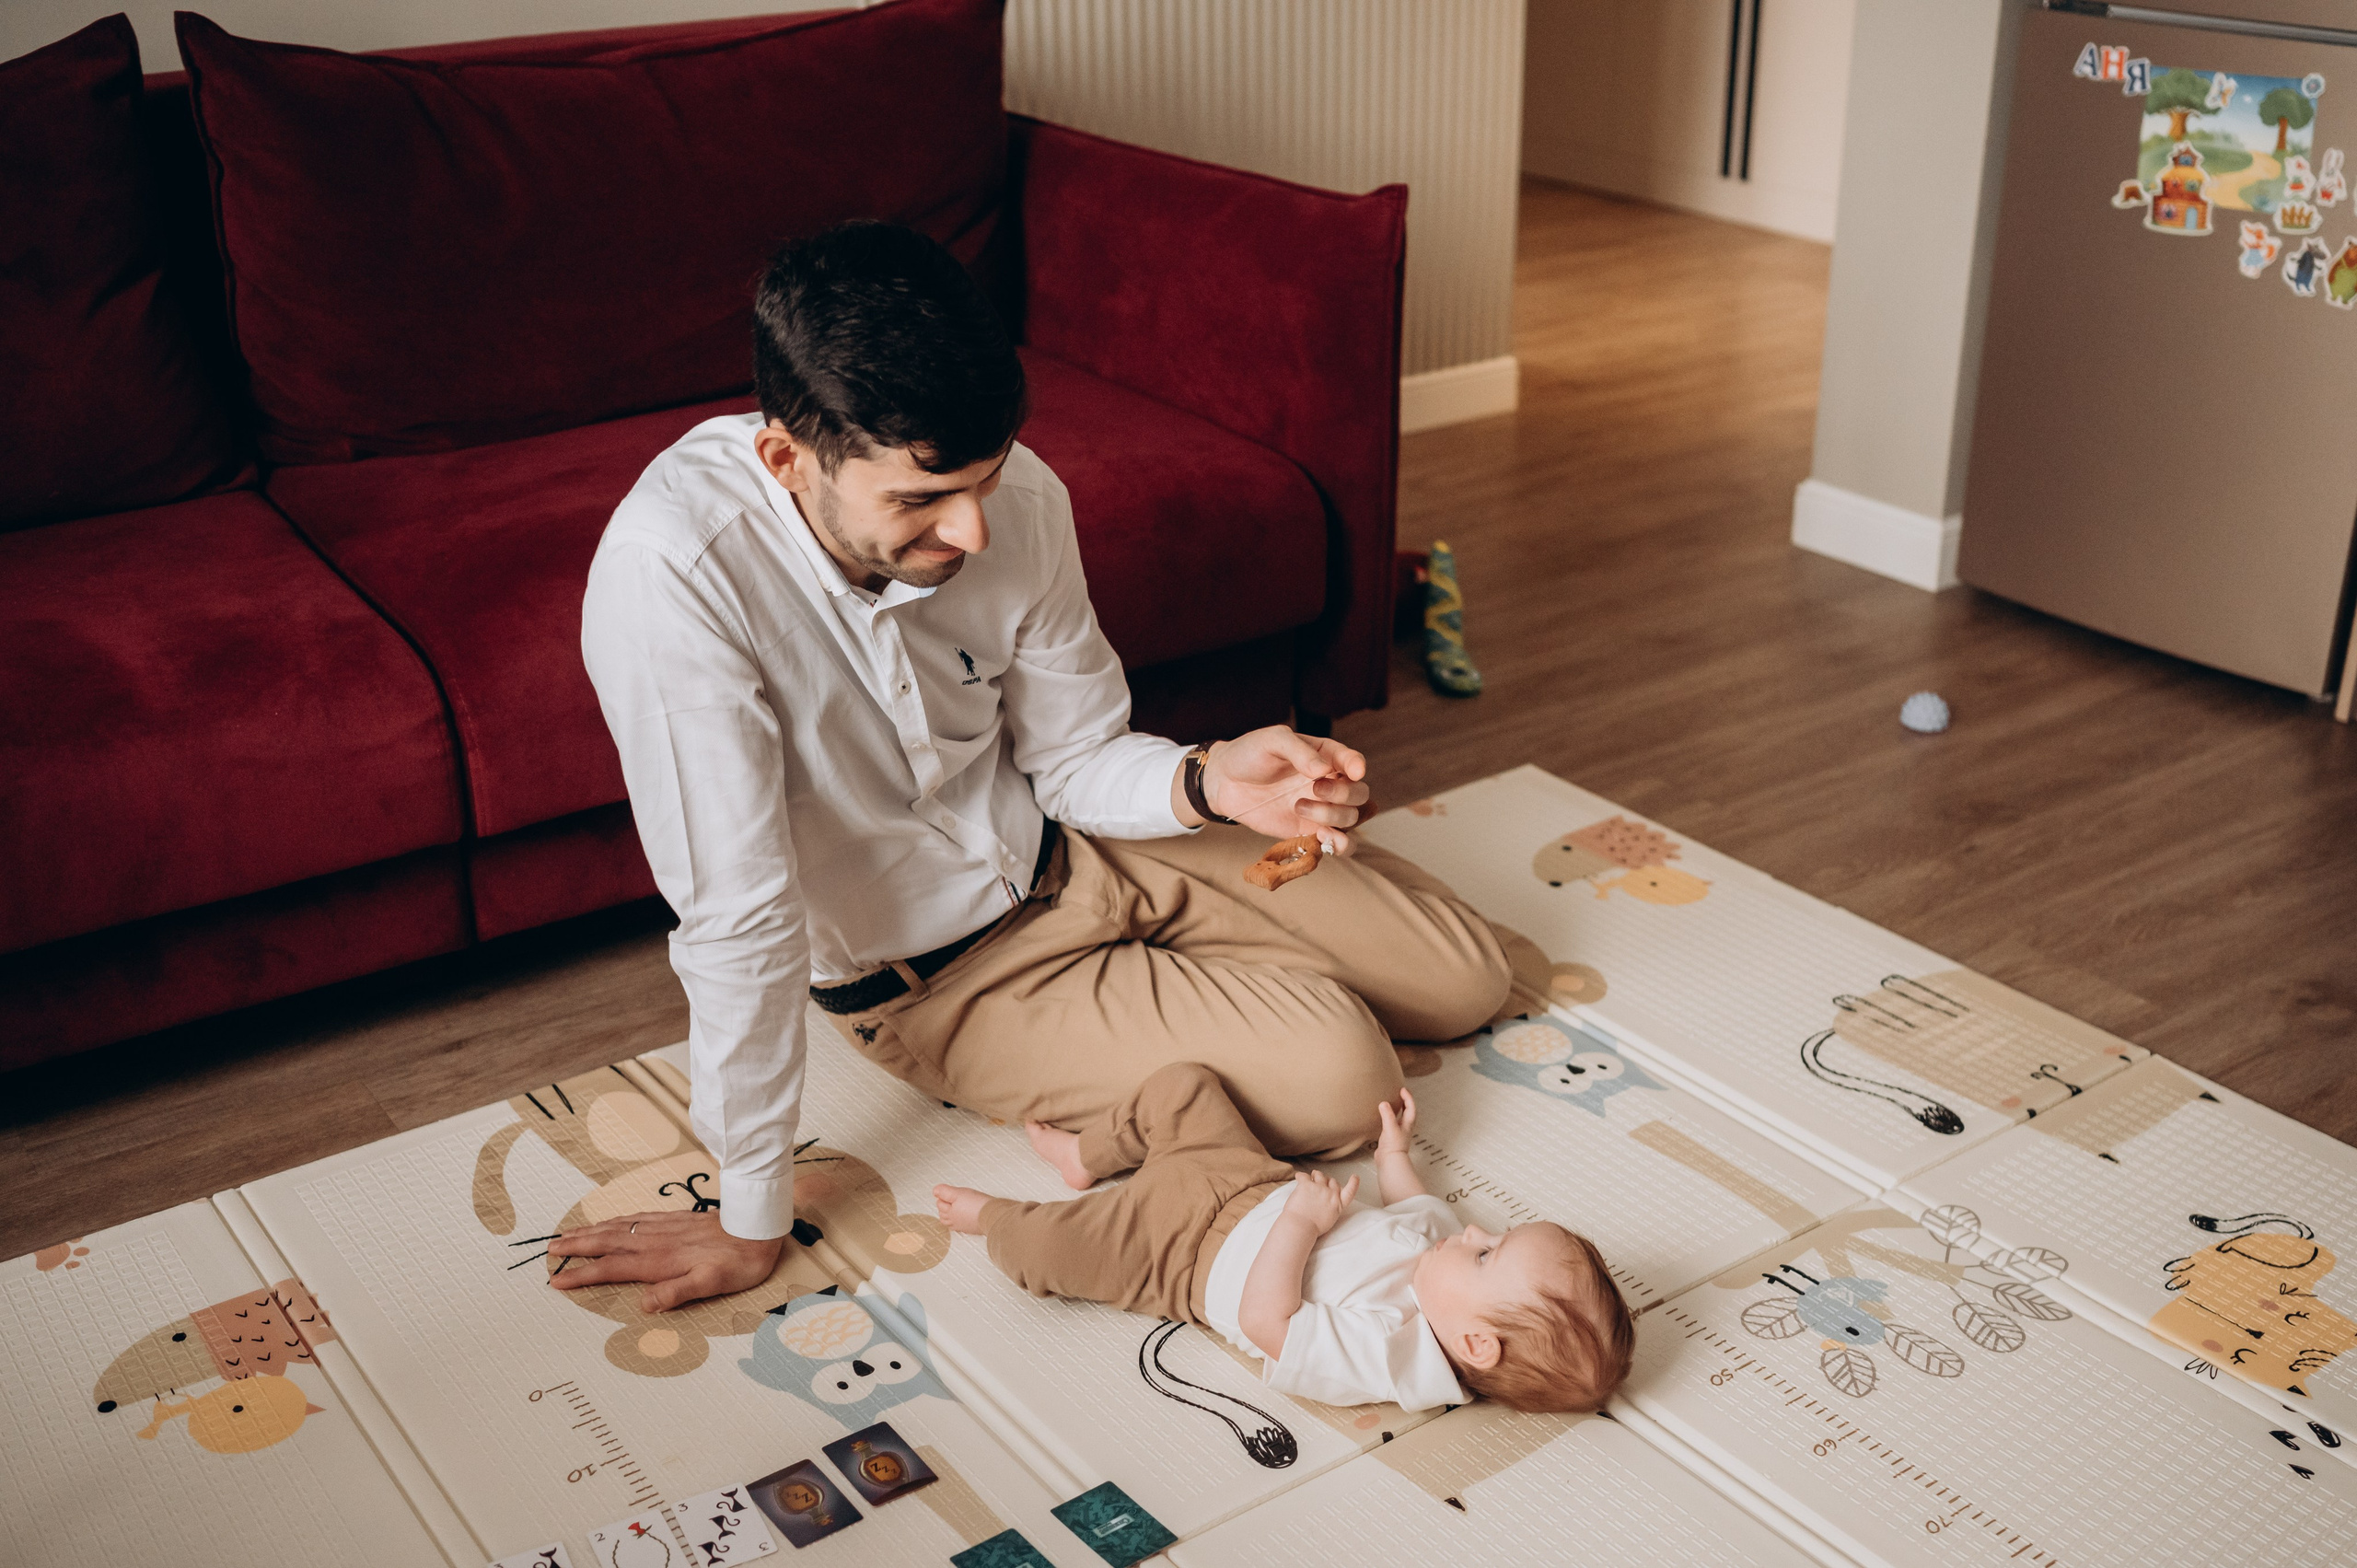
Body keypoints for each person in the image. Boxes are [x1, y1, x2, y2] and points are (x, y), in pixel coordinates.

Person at [553, 221, 1517, 1313]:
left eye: (987, 479)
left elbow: (1074, 754)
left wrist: (1212, 781)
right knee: (1349, 1078)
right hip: (947, 978)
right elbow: (740, 917)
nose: (971, 529)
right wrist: (748, 1211)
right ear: (787, 459)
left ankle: (1230, 987)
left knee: (1467, 978)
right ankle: (1195, 1036)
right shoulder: (673, 577)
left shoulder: (1015, 500)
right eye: (919, 499)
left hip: (1079, 847)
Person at [934, 1064, 1632, 1412]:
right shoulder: (1442, 1263)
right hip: (1247, 1178)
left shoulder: (1389, 1353)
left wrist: (1300, 1224)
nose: (1475, 1228)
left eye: (1488, 1252)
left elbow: (1267, 1321)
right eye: (1496, 1233)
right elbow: (1413, 1202)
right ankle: (1085, 1154)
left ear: (1475, 1343)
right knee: (1186, 1084)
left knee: (1046, 1251)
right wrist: (1393, 1152)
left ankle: (992, 1217)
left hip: (1171, 1256)